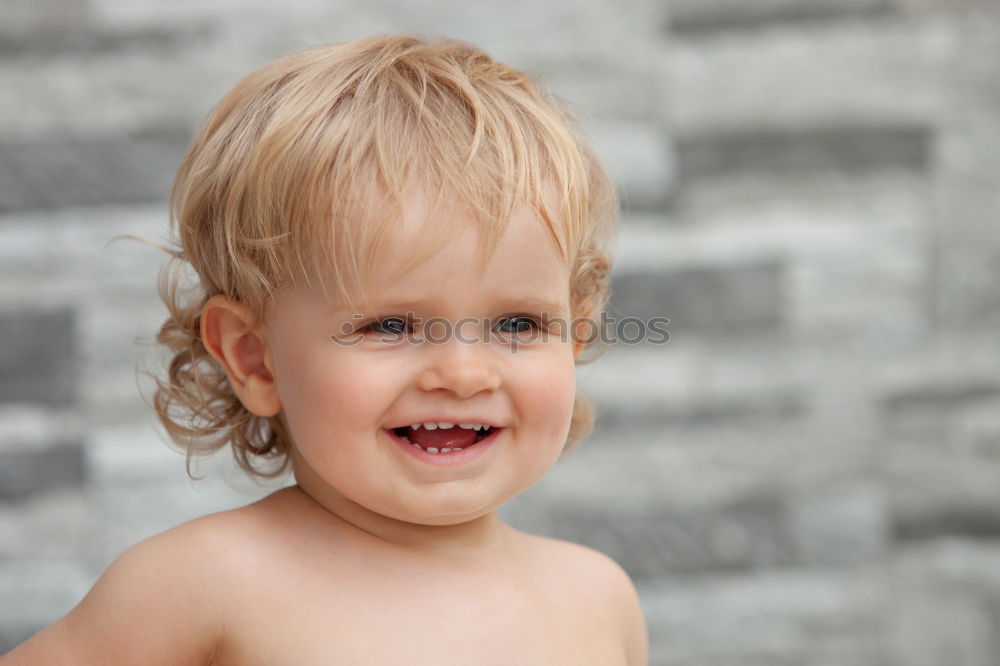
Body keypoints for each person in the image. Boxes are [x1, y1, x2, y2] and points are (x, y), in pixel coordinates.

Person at [2, 34, 648, 665]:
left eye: (518, 325)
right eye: (389, 327)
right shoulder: (202, 586)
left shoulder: (596, 597)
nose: (463, 372)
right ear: (255, 358)